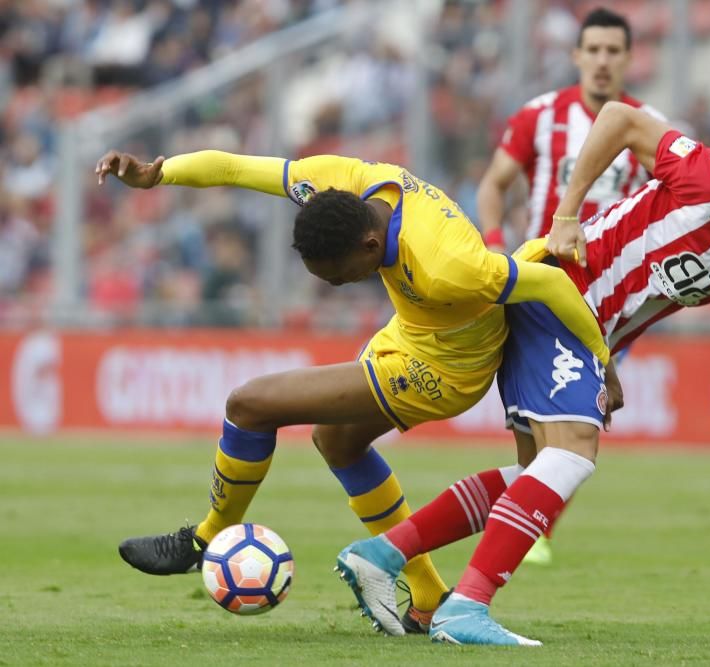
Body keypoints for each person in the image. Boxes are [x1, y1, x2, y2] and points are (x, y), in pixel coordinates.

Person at [334, 101, 710, 646]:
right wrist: (567, 214)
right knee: (574, 451)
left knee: (536, 471)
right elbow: (620, 119)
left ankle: (383, 554)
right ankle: (467, 606)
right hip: (557, 292)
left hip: (586, 331)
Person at [94, 148, 609, 633]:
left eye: (338, 278)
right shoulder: (344, 183)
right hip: (409, 334)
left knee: (248, 405)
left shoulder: (447, 265)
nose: (334, 285)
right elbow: (232, 169)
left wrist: (603, 363)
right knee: (336, 442)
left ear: (369, 246)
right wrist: (157, 174)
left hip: (445, 370)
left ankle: (204, 540)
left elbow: (549, 284)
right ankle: (427, 596)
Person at [476, 5, 663, 565]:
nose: (603, 61)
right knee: (534, 416)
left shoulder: (647, 123)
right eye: (595, 50)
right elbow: (494, 185)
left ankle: (532, 518)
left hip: (609, 295)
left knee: (578, 412)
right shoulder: (540, 116)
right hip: (539, 279)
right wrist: (492, 243)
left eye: (614, 51)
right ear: (576, 55)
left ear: (628, 59)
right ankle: (532, 518)